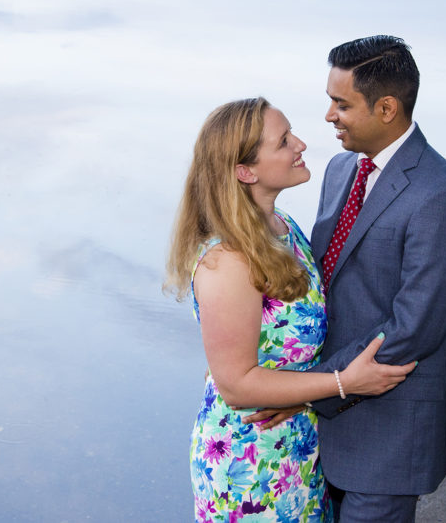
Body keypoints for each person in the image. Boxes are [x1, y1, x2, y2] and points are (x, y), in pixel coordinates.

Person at [165, 97, 416, 522]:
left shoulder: (281, 227)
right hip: (250, 462)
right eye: (283, 142)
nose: (300, 144)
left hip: (298, 446)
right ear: (245, 171)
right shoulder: (228, 261)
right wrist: (343, 382)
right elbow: (237, 386)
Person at [307, 35, 446, 522]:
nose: (329, 116)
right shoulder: (341, 170)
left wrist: (314, 387)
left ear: (386, 107)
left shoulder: (441, 195)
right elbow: (327, 280)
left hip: (388, 430)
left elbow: (414, 326)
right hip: (320, 426)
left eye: (341, 104)